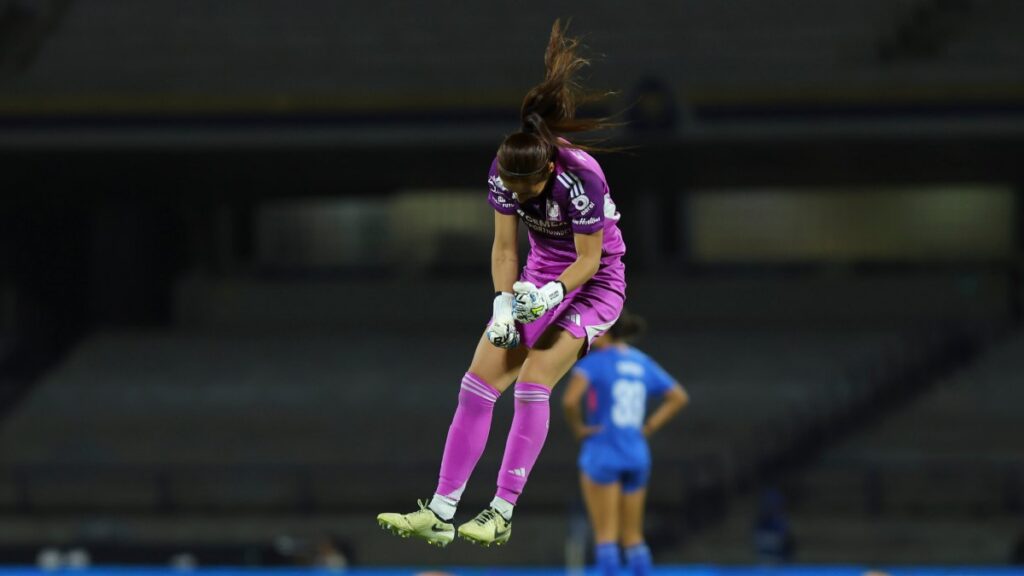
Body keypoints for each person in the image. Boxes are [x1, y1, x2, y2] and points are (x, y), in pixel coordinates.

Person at [377, 19, 626, 549]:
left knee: (534, 381)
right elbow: (506, 249)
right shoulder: (505, 171)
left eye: (528, 189)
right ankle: (441, 510)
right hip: (537, 277)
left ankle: (500, 512)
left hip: (594, 284)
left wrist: (552, 297)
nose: (520, 197)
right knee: (478, 382)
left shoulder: (581, 177)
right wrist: (502, 307)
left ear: (548, 172)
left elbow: (589, 258)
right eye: (512, 189)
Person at [562, 312, 688, 576]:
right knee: (633, 536)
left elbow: (570, 401)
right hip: (636, 453)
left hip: (603, 451)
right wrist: (649, 427)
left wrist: (579, 428)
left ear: (604, 331)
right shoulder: (641, 362)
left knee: (606, 535)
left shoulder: (593, 364)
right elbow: (677, 396)